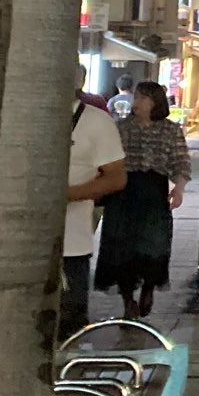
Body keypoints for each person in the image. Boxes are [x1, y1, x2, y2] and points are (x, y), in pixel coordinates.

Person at [98, 81, 191, 320]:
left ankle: (148, 288)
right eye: (136, 97)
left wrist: (178, 188)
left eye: (142, 98)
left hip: (153, 193)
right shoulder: (121, 127)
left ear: (155, 102)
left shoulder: (170, 130)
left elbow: (180, 161)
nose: (136, 102)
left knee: (153, 246)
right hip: (123, 192)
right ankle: (127, 300)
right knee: (121, 248)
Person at [65, 63, 127, 339]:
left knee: (68, 325)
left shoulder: (96, 121)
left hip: (71, 244)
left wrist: (68, 195)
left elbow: (116, 177)